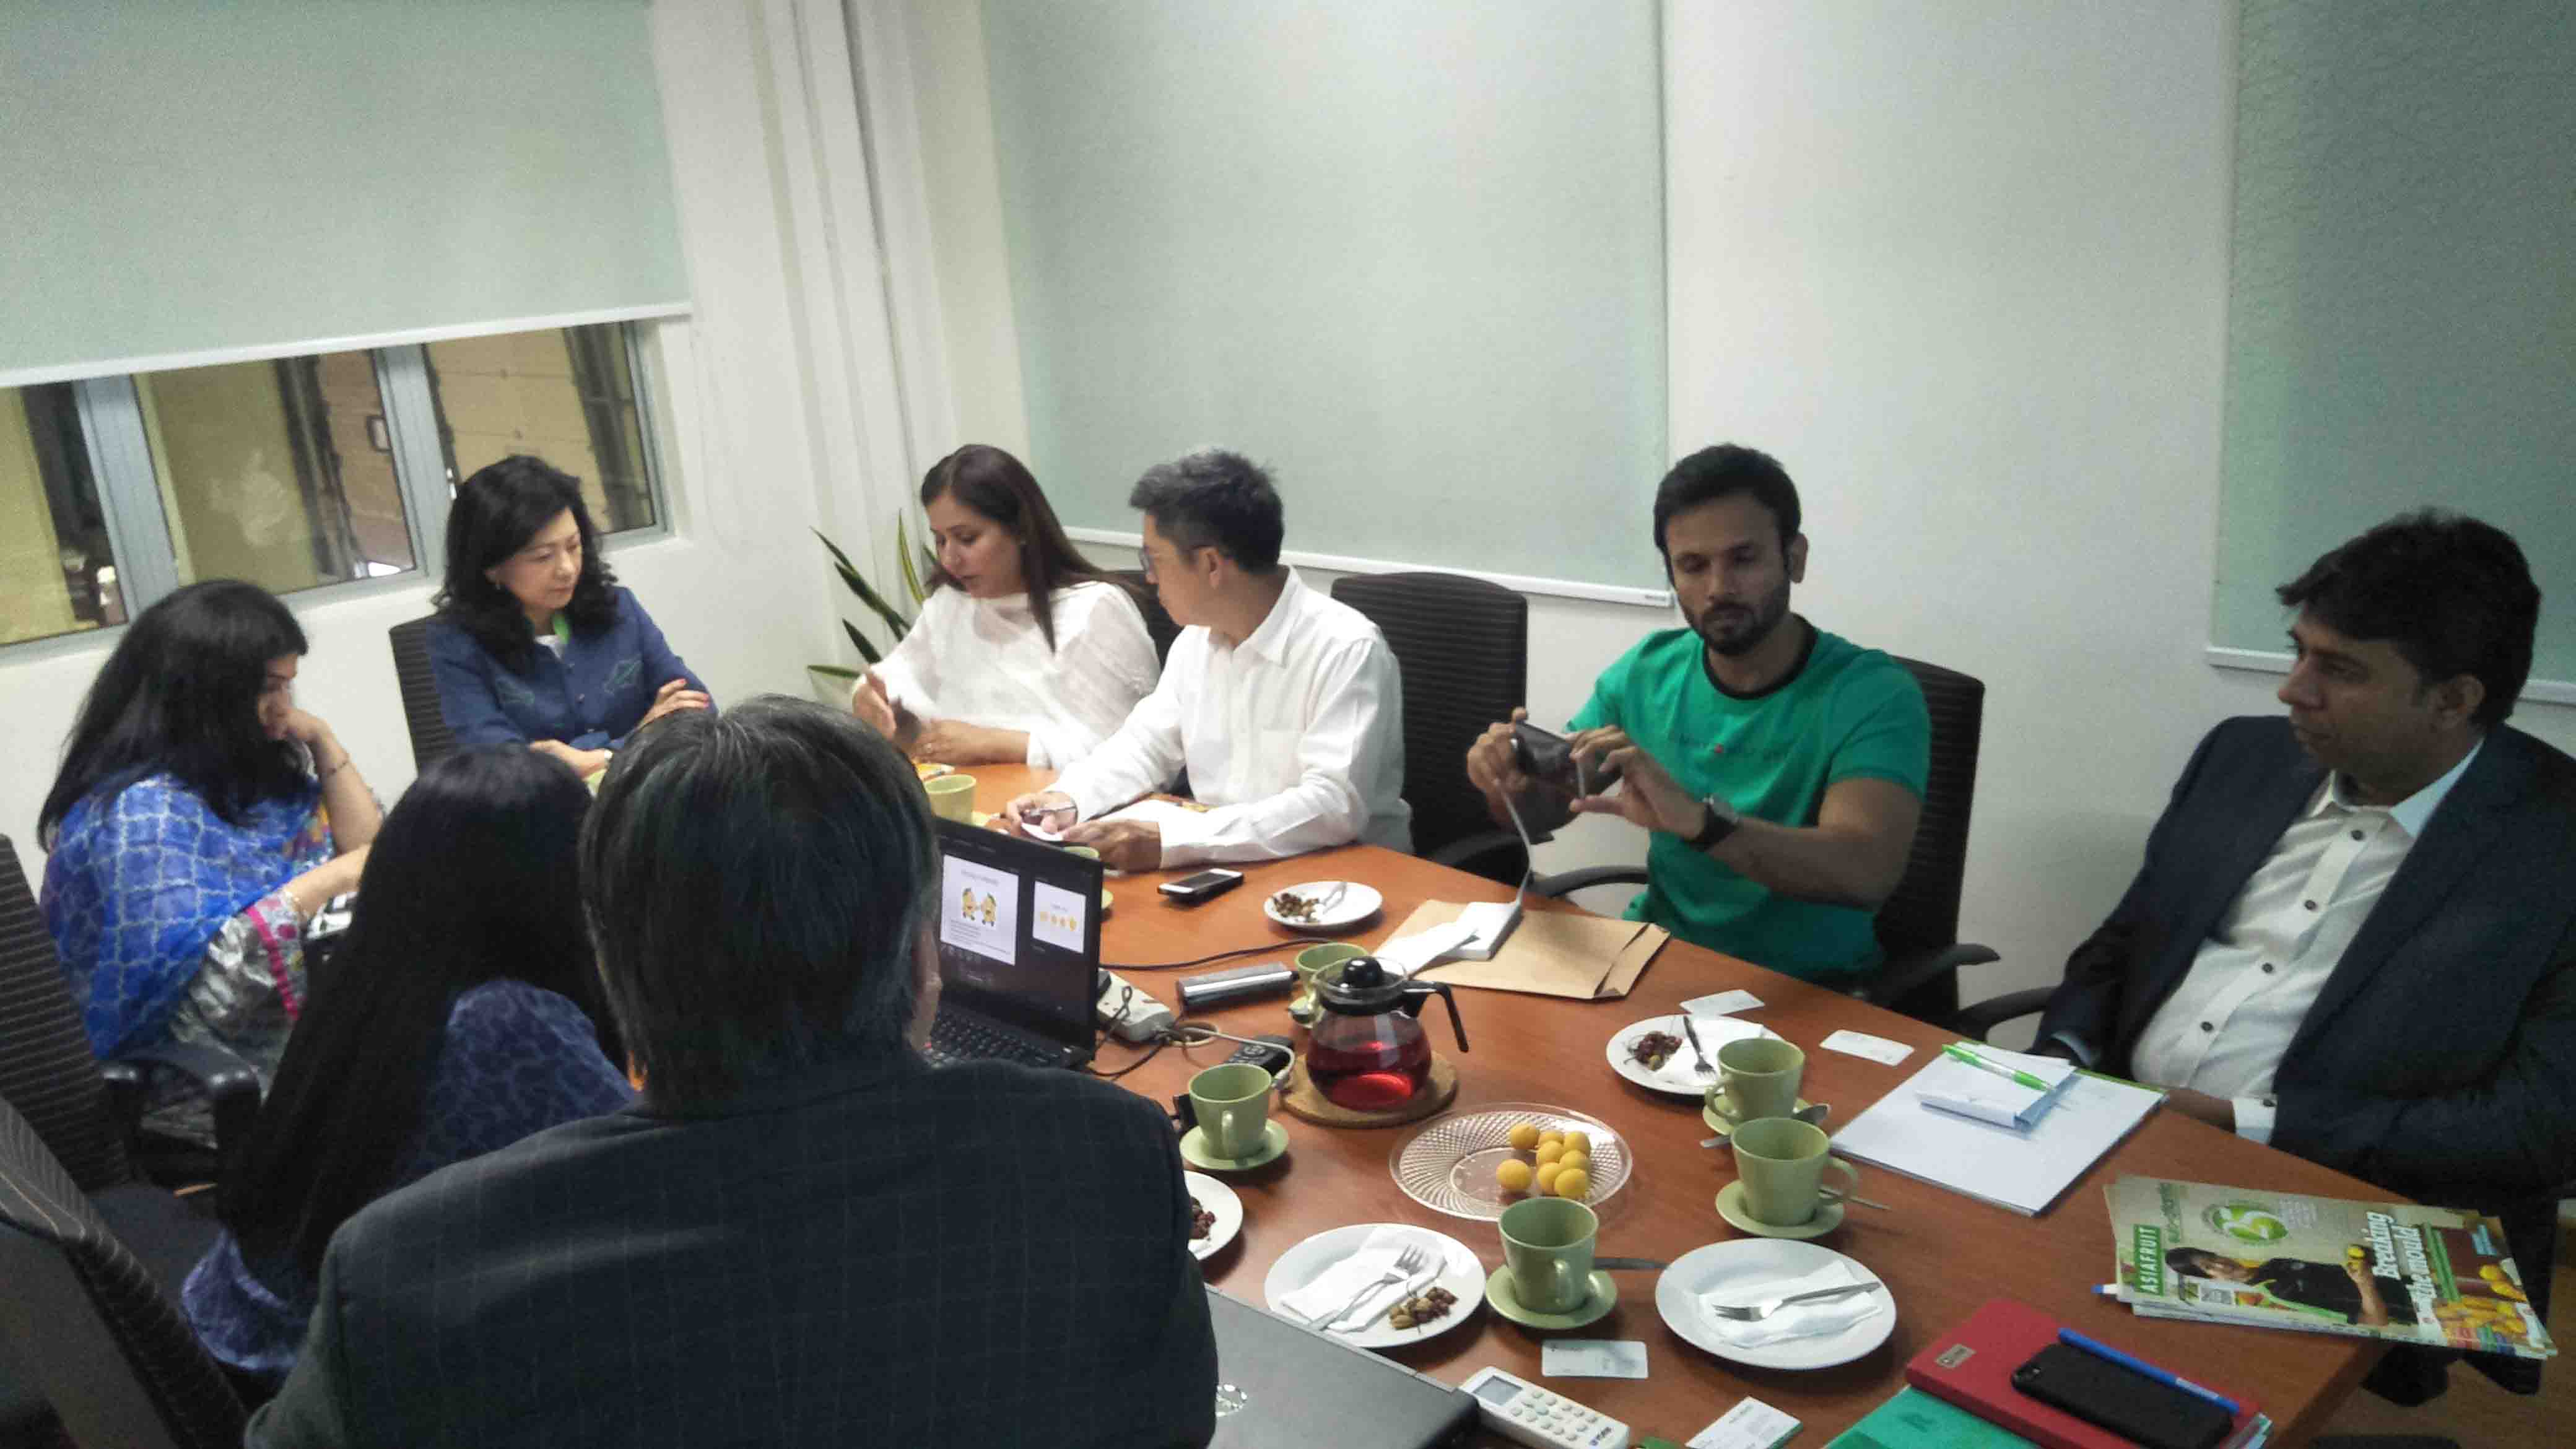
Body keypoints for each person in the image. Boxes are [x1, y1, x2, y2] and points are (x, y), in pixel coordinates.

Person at [245, 698, 1216, 1448]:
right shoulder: (1106, 1154)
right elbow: (1172, 1427)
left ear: (610, 962)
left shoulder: (407, 1273)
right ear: (926, 954)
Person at [2033, 510, 2573, 1399]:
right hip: (2120, 1136)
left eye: (2340, 670)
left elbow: (2535, 1126)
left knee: (2125, 1393)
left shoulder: (2554, 843)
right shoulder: (2240, 757)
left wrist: (2247, 1124)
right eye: (2298, 653)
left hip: (2346, 1195)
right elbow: (2126, 943)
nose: (2292, 690)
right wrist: (2059, 1062)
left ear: (2452, 700)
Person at [182, 746, 633, 1390]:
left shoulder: (370, 974)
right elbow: (650, 1175)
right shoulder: (506, 1019)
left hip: (239, 1324)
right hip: (314, 1376)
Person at [1464, 444, 1928, 981]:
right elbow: (1553, 807)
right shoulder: (1647, 671)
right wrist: (1510, 785)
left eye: (1743, 559)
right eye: (1693, 566)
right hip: (1662, 962)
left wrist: (1702, 824)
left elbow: (1866, 871)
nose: (1718, 589)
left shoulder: (1873, 694)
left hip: (1813, 989)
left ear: (1794, 558)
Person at [38, 580, 381, 1109]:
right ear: (206, 694)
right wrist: (328, 881)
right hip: (202, 1086)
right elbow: (207, 1000)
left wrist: (323, 740)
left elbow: (369, 851)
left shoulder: (247, 775)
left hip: (306, 1035)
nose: (283, 709)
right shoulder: (139, 817)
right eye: (268, 689)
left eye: (288, 688)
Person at [1003, 448, 1409, 871]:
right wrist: (1068, 798)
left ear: (1211, 564)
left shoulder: (1346, 647)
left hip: (1351, 875)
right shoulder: (1196, 641)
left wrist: (1175, 840)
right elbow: (1145, 747)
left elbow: (1333, 805)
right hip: (1228, 860)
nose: (1149, 577)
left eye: (1153, 559)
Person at [850, 443, 1160, 766]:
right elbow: (896, 677)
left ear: (1021, 530)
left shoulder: (1095, 609)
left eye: (967, 539)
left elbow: (1140, 755)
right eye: (941, 540)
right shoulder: (950, 605)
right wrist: (869, 699)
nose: (949, 559)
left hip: (1061, 796)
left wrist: (1001, 744)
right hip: (971, 790)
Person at [427, 455, 710, 777]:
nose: (567, 568)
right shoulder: (456, 643)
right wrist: (640, 739)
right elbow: (502, 767)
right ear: (491, 568)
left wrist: (603, 758)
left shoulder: (619, 608)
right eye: (543, 557)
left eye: (574, 547)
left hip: (641, 797)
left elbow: (696, 709)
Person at [2162, 1247, 2416, 1329]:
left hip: (2415, 1279)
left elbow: (2348, 1274)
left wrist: (2366, 1262)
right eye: (2209, 1267)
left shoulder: (2277, 1262)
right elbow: (2376, 1321)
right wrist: (2366, 1284)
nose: (2220, 1264)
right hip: (2416, 1308)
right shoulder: (2280, 1296)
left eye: (2212, 1257)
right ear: (2213, 1280)